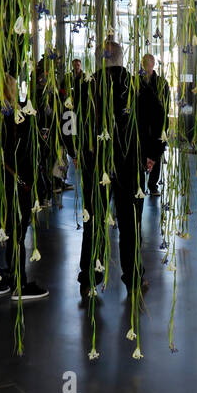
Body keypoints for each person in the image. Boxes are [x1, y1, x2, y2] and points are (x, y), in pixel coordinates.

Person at [77, 39, 157, 296]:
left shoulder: (87, 87)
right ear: (121, 59)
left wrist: (78, 152)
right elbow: (154, 119)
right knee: (130, 223)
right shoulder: (136, 86)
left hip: (96, 165)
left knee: (95, 221)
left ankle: (90, 277)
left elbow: (72, 122)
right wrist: (151, 154)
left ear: (101, 59)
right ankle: (134, 277)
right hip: (129, 165)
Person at [0, 63, 49, 302]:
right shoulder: (17, 117)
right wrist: (31, 182)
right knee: (16, 229)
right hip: (13, 182)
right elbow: (28, 152)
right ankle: (18, 281)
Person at [138, 53, 170, 196]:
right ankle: (139, 185)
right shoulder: (137, 81)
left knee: (156, 153)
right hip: (142, 123)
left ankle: (153, 185)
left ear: (153, 64)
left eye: (149, 62)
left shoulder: (161, 82)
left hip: (158, 123)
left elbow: (166, 104)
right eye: (144, 62)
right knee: (141, 152)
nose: (146, 65)